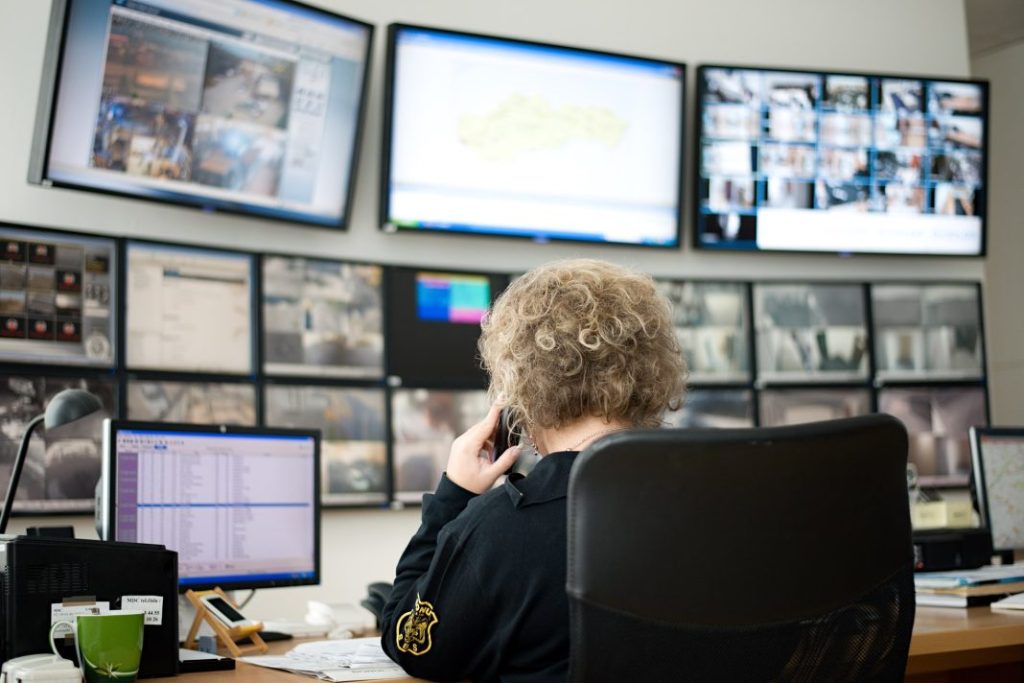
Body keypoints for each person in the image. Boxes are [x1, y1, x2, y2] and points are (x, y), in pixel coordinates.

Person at [380, 258, 686, 682]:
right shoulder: (718, 503)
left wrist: (453, 497)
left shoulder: (501, 528)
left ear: (521, 386)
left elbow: (413, 645)